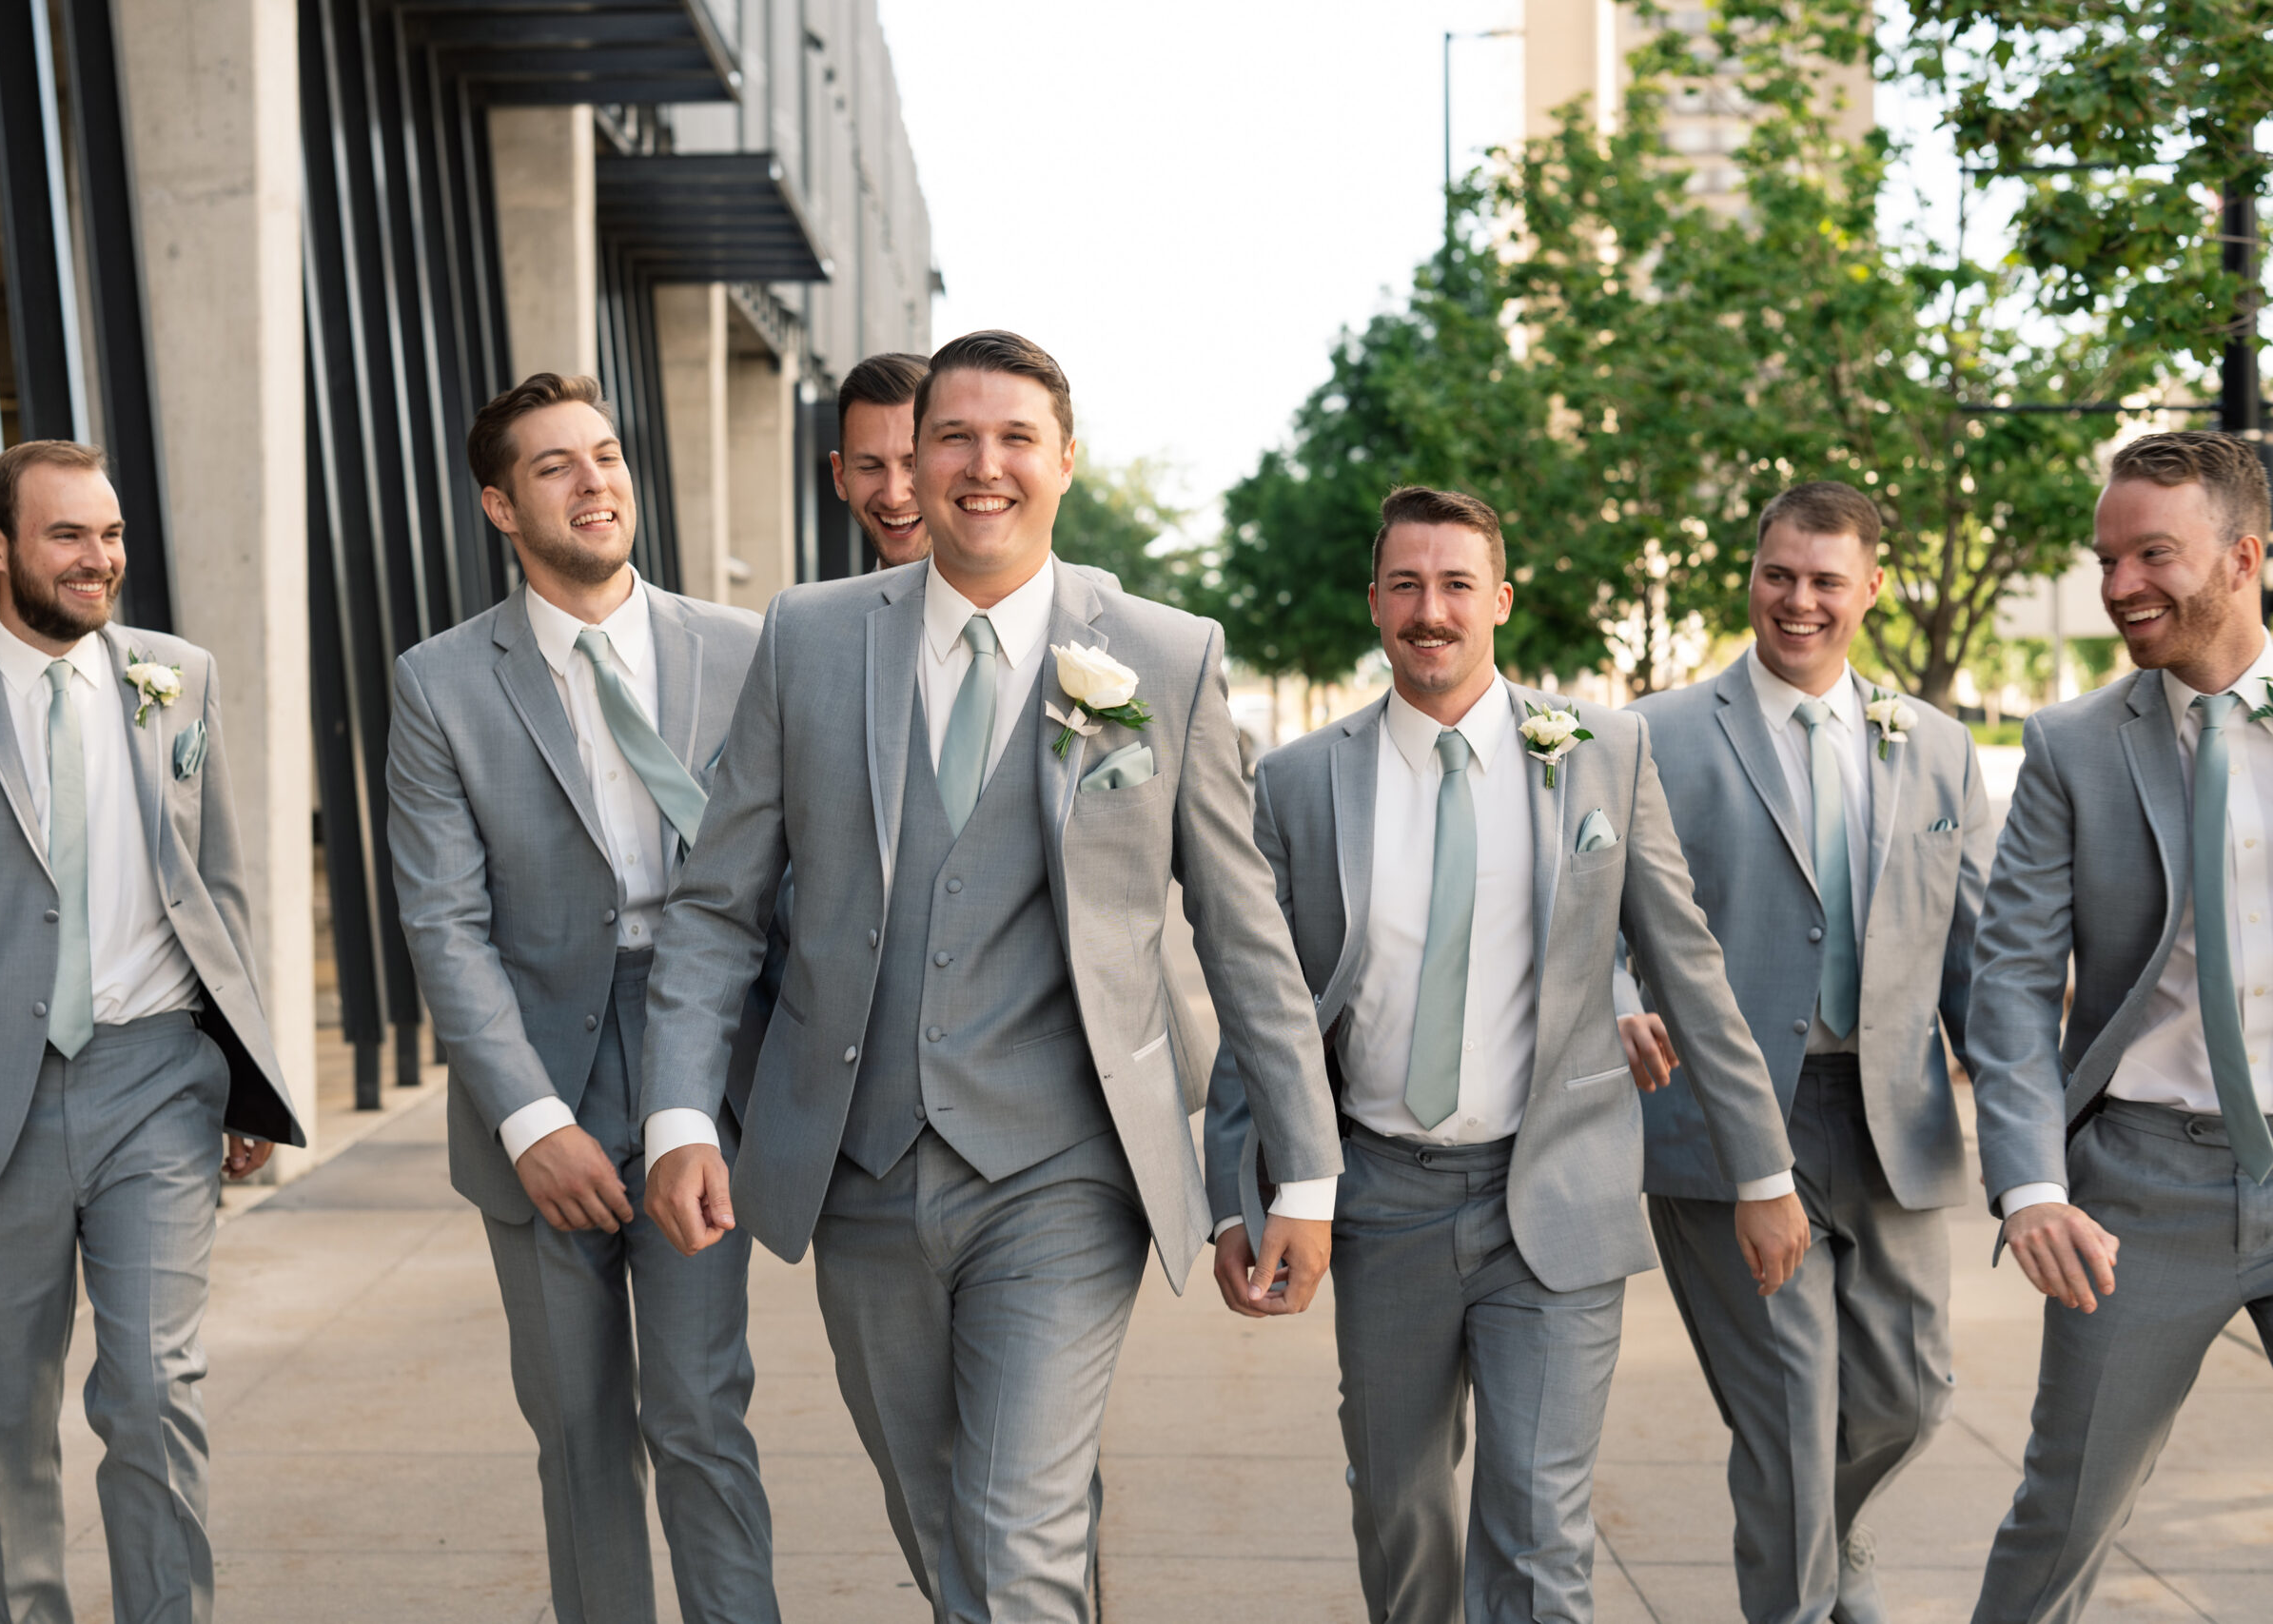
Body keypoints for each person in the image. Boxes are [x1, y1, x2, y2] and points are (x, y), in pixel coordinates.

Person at [637, 330, 1342, 1622]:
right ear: (910, 460)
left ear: (1065, 460)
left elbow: (1248, 933)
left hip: (1066, 1169)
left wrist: (1302, 1169)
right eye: (951, 437)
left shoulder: (1162, 654)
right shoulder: (810, 636)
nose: (981, 465)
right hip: (860, 1160)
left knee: (1012, 1538)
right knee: (944, 1513)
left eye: (1015, 437)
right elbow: (717, 906)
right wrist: (682, 1109)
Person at [1205, 484, 1811, 1624]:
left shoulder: (1599, 751)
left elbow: (1689, 969)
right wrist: (1243, 1195)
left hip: (1556, 1188)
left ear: (1500, 601)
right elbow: (1263, 1009)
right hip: (1379, 1196)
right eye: (1405, 585)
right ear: (1374, 601)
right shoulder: (1296, 782)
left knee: (1538, 1523)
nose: (1429, 611)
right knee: (1399, 1510)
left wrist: (1762, 1173)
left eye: (1454, 586)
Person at [0, 440, 300, 1622]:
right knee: (3, 1416)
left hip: (157, 1077)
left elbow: (221, 888)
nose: (100, 562)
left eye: (112, 535)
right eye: (68, 537)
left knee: (153, 1390)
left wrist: (247, 1078)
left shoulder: (176, 677)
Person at [384, 373, 780, 1624]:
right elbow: (444, 921)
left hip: (698, 1055)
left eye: (605, 455)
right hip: (539, 1066)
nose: (594, 479)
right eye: (555, 465)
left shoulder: (744, 648)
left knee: (702, 1408)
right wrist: (530, 1120)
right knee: (578, 1429)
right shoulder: (440, 682)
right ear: (502, 505)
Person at [1621, 480, 1990, 1623]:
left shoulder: (1934, 744)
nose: (1798, 601)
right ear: (1751, 573)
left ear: (1871, 589)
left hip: (1894, 1122)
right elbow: (1594, 915)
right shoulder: (1656, 735)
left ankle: (1838, 1546)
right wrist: (1618, 1002)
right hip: (1727, 1122)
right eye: (1779, 574)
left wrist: (2046, 1144)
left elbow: (1977, 954)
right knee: (1787, 1415)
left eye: (1826, 580)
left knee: (1908, 1401)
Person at [1967, 431, 2273, 1623]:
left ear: (2244, 556)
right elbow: (2007, 982)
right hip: (2140, 1189)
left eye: (2154, 554)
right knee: (2064, 1514)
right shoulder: (2070, 746)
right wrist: (2031, 1187)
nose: (2120, 586)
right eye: (2107, 559)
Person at [833, 351, 933, 566]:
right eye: (869, 467)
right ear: (839, 476)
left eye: (914, 464)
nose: (893, 497)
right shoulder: (801, 601)